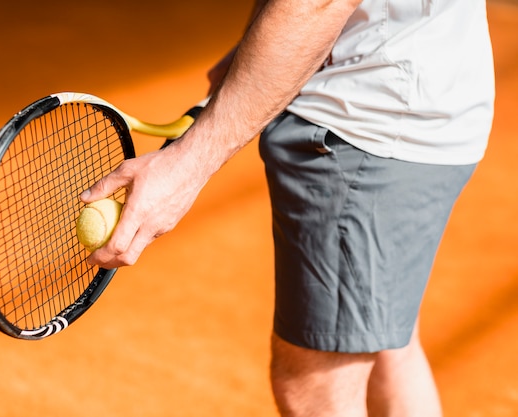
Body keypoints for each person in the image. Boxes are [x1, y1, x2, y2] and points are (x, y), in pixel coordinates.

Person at [81, 0, 495, 415]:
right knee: (387, 347)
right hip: (427, 97)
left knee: (315, 386)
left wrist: (187, 165)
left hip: (364, 129)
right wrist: (261, 49)